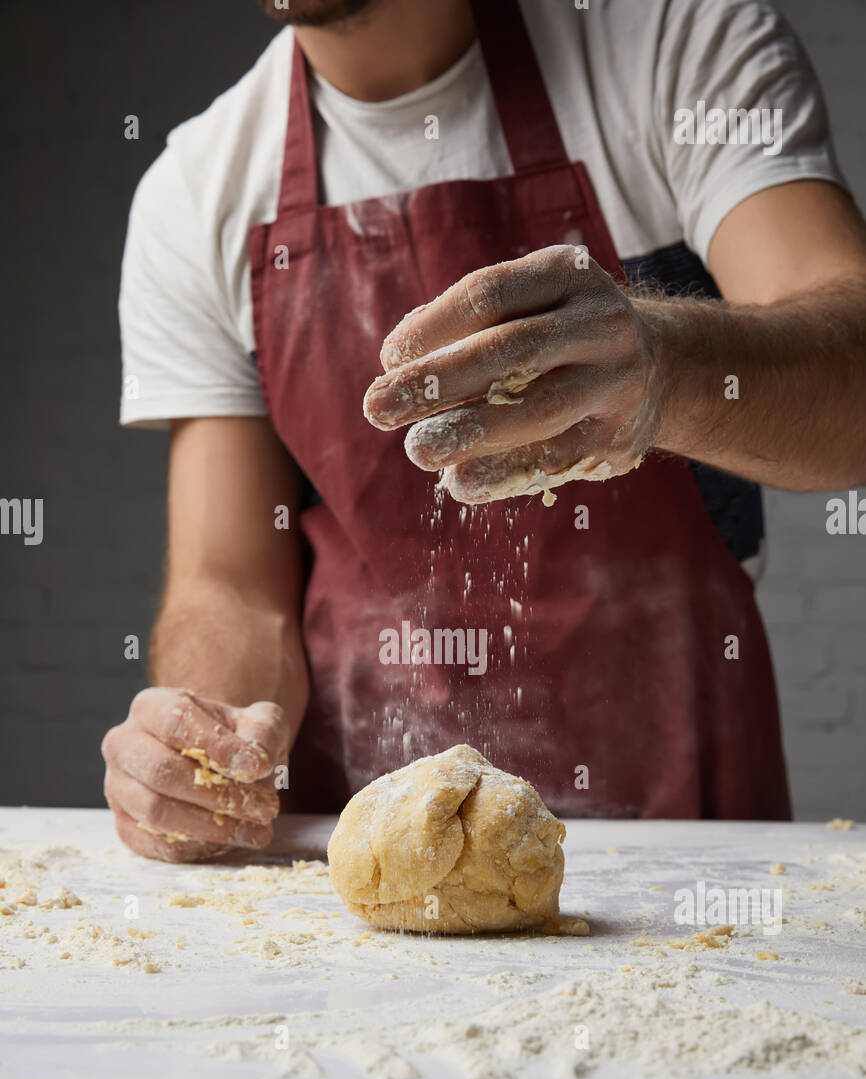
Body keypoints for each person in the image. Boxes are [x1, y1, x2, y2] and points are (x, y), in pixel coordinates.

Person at [103, 0, 866, 860]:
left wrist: (664, 368)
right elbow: (231, 583)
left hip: (684, 839)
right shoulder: (196, 188)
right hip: (361, 854)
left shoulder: (675, 43)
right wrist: (208, 746)